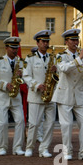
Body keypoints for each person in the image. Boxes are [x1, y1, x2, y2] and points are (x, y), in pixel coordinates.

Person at [52, 29, 83, 160]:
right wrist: (80, 58)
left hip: (79, 95)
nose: (75, 42)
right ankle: (67, 152)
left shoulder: (81, 56)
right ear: (66, 42)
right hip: (64, 94)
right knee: (67, 125)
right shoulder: (61, 56)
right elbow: (64, 69)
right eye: (73, 40)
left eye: (77, 40)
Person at [0, 36, 26, 156]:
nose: (15, 50)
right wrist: (5, 85)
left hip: (15, 98)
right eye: (12, 48)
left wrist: (22, 75)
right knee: (3, 123)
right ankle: (3, 147)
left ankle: (18, 147)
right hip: (1, 97)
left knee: (20, 121)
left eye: (16, 48)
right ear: (6, 48)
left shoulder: (20, 62)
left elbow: (26, 79)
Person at [22, 30, 57, 158]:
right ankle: (29, 147)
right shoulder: (30, 59)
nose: (46, 44)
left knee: (50, 123)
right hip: (36, 96)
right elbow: (26, 75)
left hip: (50, 96)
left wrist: (56, 71)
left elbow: (57, 77)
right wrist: (37, 85)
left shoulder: (52, 58)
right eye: (43, 42)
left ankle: (44, 148)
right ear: (37, 43)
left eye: (47, 41)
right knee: (34, 124)